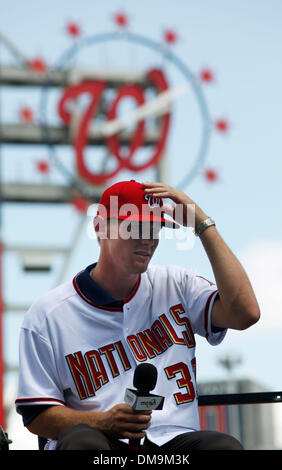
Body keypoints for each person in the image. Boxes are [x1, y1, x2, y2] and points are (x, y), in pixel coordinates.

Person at [15, 180, 260, 451]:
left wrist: (203, 224)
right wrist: (103, 422)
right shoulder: (48, 314)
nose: (148, 239)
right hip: (101, 443)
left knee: (223, 448)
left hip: (172, 443)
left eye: (155, 228)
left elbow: (245, 314)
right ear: (99, 226)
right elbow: (36, 416)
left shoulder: (177, 283)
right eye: (135, 227)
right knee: (83, 443)